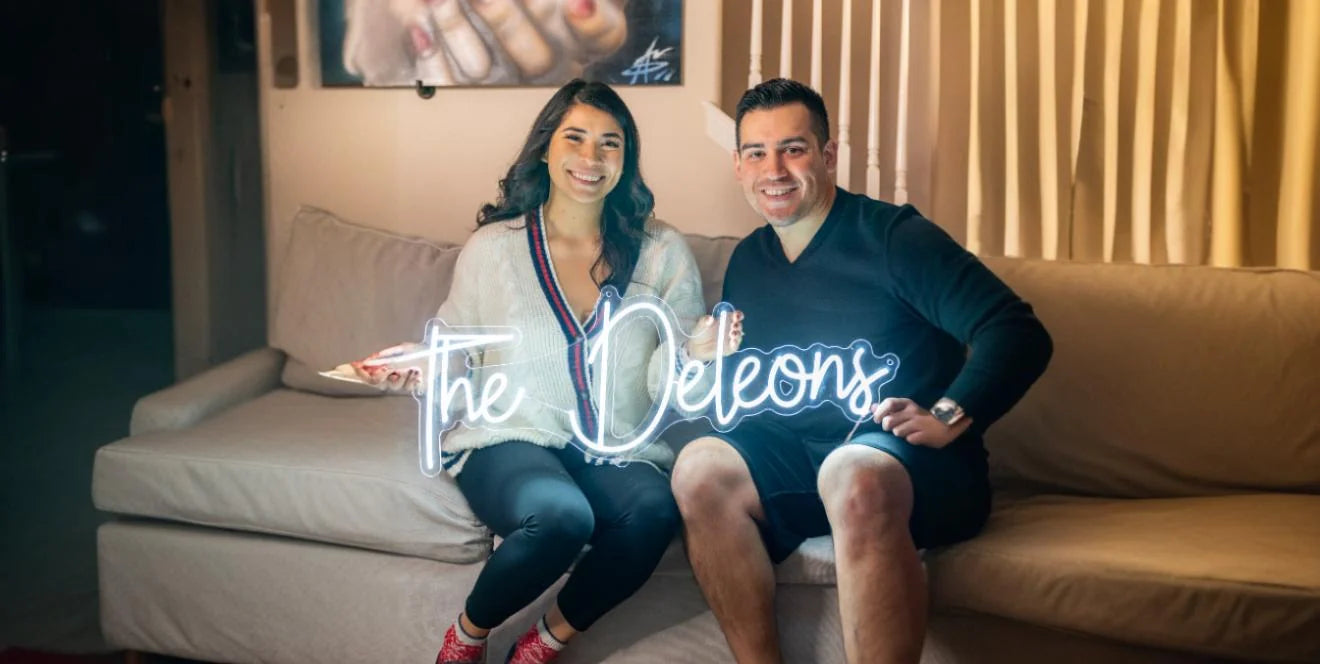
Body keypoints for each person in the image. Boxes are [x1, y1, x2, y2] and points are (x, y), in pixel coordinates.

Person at [354, 79, 741, 664]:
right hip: (509, 437)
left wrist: (698, 352)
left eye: (610, 143)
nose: (591, 157)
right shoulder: (495, 248)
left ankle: (542, 643)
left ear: (627, 159)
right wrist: (422, 365)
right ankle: (466, 637)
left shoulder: (662, 251)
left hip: (616, 445)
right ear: (546, 147)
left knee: (654, 513)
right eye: (575, 138)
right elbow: (459, 348)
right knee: (560, 517)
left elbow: (672, 392)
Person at [670, 78, 1053, 664]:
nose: (774, 170)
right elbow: (745, 395)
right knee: (698, 468)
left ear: (827, 155)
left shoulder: (897, 239)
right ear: (739, 166)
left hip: (909, 466)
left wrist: (950, 414)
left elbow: (1015, 329)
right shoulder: (749, 261)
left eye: (793, 149)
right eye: (757, 153)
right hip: (802, 461)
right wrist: (703, 357)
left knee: (852, 472)